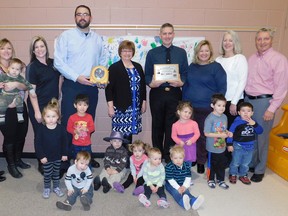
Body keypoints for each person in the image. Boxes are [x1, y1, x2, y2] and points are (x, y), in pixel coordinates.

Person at [54, 4, 107, 169]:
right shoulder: (66, 36)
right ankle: (66, 160)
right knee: (70, 123)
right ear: (75, 17)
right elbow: (59, 62)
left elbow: (103, 61)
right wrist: (77, 77)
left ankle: (84, 158)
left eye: (85, 14)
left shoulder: (98, 39)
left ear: (90, 18)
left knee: (87, 123)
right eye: (79, 14)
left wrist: (102, 78)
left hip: (91, 87)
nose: (82, 17)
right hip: (72, 85)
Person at [245, 28, 288, 183]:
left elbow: (282, 87)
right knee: (250, 133)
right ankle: (252, 163)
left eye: (266, 39)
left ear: (271, 40)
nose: (262, 42)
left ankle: (260, 169)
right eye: (259, 39)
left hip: (264, 102)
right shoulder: (251, 58)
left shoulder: (279, 59)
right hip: (248, 100)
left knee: (261, 136)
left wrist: (272, 108)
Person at [145, 23, 189, 163]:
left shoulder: (181, 53)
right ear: (160, 35)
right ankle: (156, 156)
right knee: (157, 125)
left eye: (170, 33)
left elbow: (185, 73)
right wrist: (151, 83)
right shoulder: (152, 53)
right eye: (164, 33)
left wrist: (181, 82)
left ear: (173, 35)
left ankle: (169, 156)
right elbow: (147, 75)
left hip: (175, 93)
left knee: (172, 125)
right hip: (157, 93)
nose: (167, 36)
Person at [183, 40, 227, 174]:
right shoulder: (191, 67)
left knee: (202, 136)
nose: (204, 53)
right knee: (190, 135)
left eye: (206, 50)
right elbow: (185, 86)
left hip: (207, 109)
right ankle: (193, 158)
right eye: (201, 50)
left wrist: (216, 107)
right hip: (190, 109)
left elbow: (222, 89)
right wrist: (184, 105)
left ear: (210, 52)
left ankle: (201, 161)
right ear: (197, 53)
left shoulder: (216, 67)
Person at [26, 35, 61, 175]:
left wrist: (59, 100)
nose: (40, 49)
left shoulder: (54, 63)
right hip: (38, 105)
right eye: (36, 47)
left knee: (52, 133)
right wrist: (36, 112)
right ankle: (42, 161)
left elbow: (59, 81)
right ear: (33, 51)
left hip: (52, 105)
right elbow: (31, 92)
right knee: (40, 134)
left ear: (46, 48)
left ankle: (52, 159)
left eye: (42, 46)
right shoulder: (32, 67)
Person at [105, 40, 146, 144]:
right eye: (124, 51)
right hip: (120, 107)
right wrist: (110, 107)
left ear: (133, 52)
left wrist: (144, 102)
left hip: (135, 106)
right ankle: (120, 157)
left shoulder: (138, 67)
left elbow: (142, 87)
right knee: (119, 135)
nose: (127, 53)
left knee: (130, 134)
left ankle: (128, 156)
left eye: (129, 51)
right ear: (120, 52)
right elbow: (109, 89)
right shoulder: (114, 67)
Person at [0, 38, 31, 178]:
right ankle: (11, 165)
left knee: (22, 133)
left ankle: (18, 160)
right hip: (5, 108)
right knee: (10, 136)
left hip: (19, 105)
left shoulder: (19, 65)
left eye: (9, 48)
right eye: (2, 48)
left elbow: (25, 85)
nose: (6, 51)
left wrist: (16, 85)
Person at [35, 98, 68, 198]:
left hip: (57, 157)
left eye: (53, 116)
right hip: (46, 157)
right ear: (44, 117)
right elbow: (38, 144)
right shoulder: (41, 130)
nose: (51, 119)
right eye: (48, 116)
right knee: (47, 174)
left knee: (56, 173)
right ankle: (47, 188)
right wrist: (41, 156)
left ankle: (56, 187)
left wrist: (64, 154)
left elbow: (65, 142)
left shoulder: (61, 129)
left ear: (58, 117)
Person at [227, 102, 263, 185]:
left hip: (250, 147)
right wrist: (229, 144)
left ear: (252, 113)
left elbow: (260, 131)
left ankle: (243, 175)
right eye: (243, 111)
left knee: (246, 163)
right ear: (239, 113)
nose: (246, 113)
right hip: (238, 146)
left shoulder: (254, 122)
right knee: (235, 162)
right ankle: (233, 174)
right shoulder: (236, 123)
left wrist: (254, 124)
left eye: (248, 111)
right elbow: (230, 134)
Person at [204, 94, 232, 189]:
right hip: (212, 147)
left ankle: (220, 180)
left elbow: (223, 129)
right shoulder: (210, 118)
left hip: (221, 146)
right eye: (219, 105)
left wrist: (228, 133)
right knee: (212, 164)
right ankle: (211, 179)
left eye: (223, 105)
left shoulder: (224, 117)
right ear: (213, 105)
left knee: (221, 164)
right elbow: (206, 133)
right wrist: (220, 135)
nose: (222, 108)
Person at [165, 146, 205, 211]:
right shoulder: (169, 167)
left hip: (182, 183)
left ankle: (193, 201)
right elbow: (170, 180)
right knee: (176, 193)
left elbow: (188, 177)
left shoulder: (186, 165)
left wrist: (184, 186)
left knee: (186, 192)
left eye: (180, 158)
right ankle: (183, 203)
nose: (178, 160)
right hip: (170, 184)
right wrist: (178, 188)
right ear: (171, 158)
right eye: (175, 158)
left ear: (183, 158)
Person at [0, 58, 36, 124]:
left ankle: (19, 115)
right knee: (2, 103)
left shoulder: (20, 78)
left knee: (19, 101)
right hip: (5, 95)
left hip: (16, 95)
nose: (14, 71)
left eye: (17, 69)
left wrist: (32, 91)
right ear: (8, 68)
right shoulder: (3, 76)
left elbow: (27, 84)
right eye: (12, 68)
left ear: (20, 71)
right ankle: (2, 116)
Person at [67, 94, 95, 161]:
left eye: (85, 105)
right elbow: (68, 128)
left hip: (87, 144)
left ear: (88, 106)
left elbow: (93, 128)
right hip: (76, 143)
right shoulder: (72, 117)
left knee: (87, 159)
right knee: (76, 158)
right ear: (75, 105)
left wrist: (87, 129)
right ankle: (76, 170)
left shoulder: (89, 117)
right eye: (80, 105)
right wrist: (75, 131)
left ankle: (87, 170)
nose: (82, 107)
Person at [171, 101, 200, 166]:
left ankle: (187, 173)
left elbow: (197, 134)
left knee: (188, 161)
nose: (187, 114)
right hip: (180, 145)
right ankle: (180, 173)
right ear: (179, 112)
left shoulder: (194, 123)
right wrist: (179, 142)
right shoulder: (175, 125)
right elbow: (173, 136)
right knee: (179, 160)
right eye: (185, 112)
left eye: (189, 113)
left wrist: (191, 140)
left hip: (190, 145)